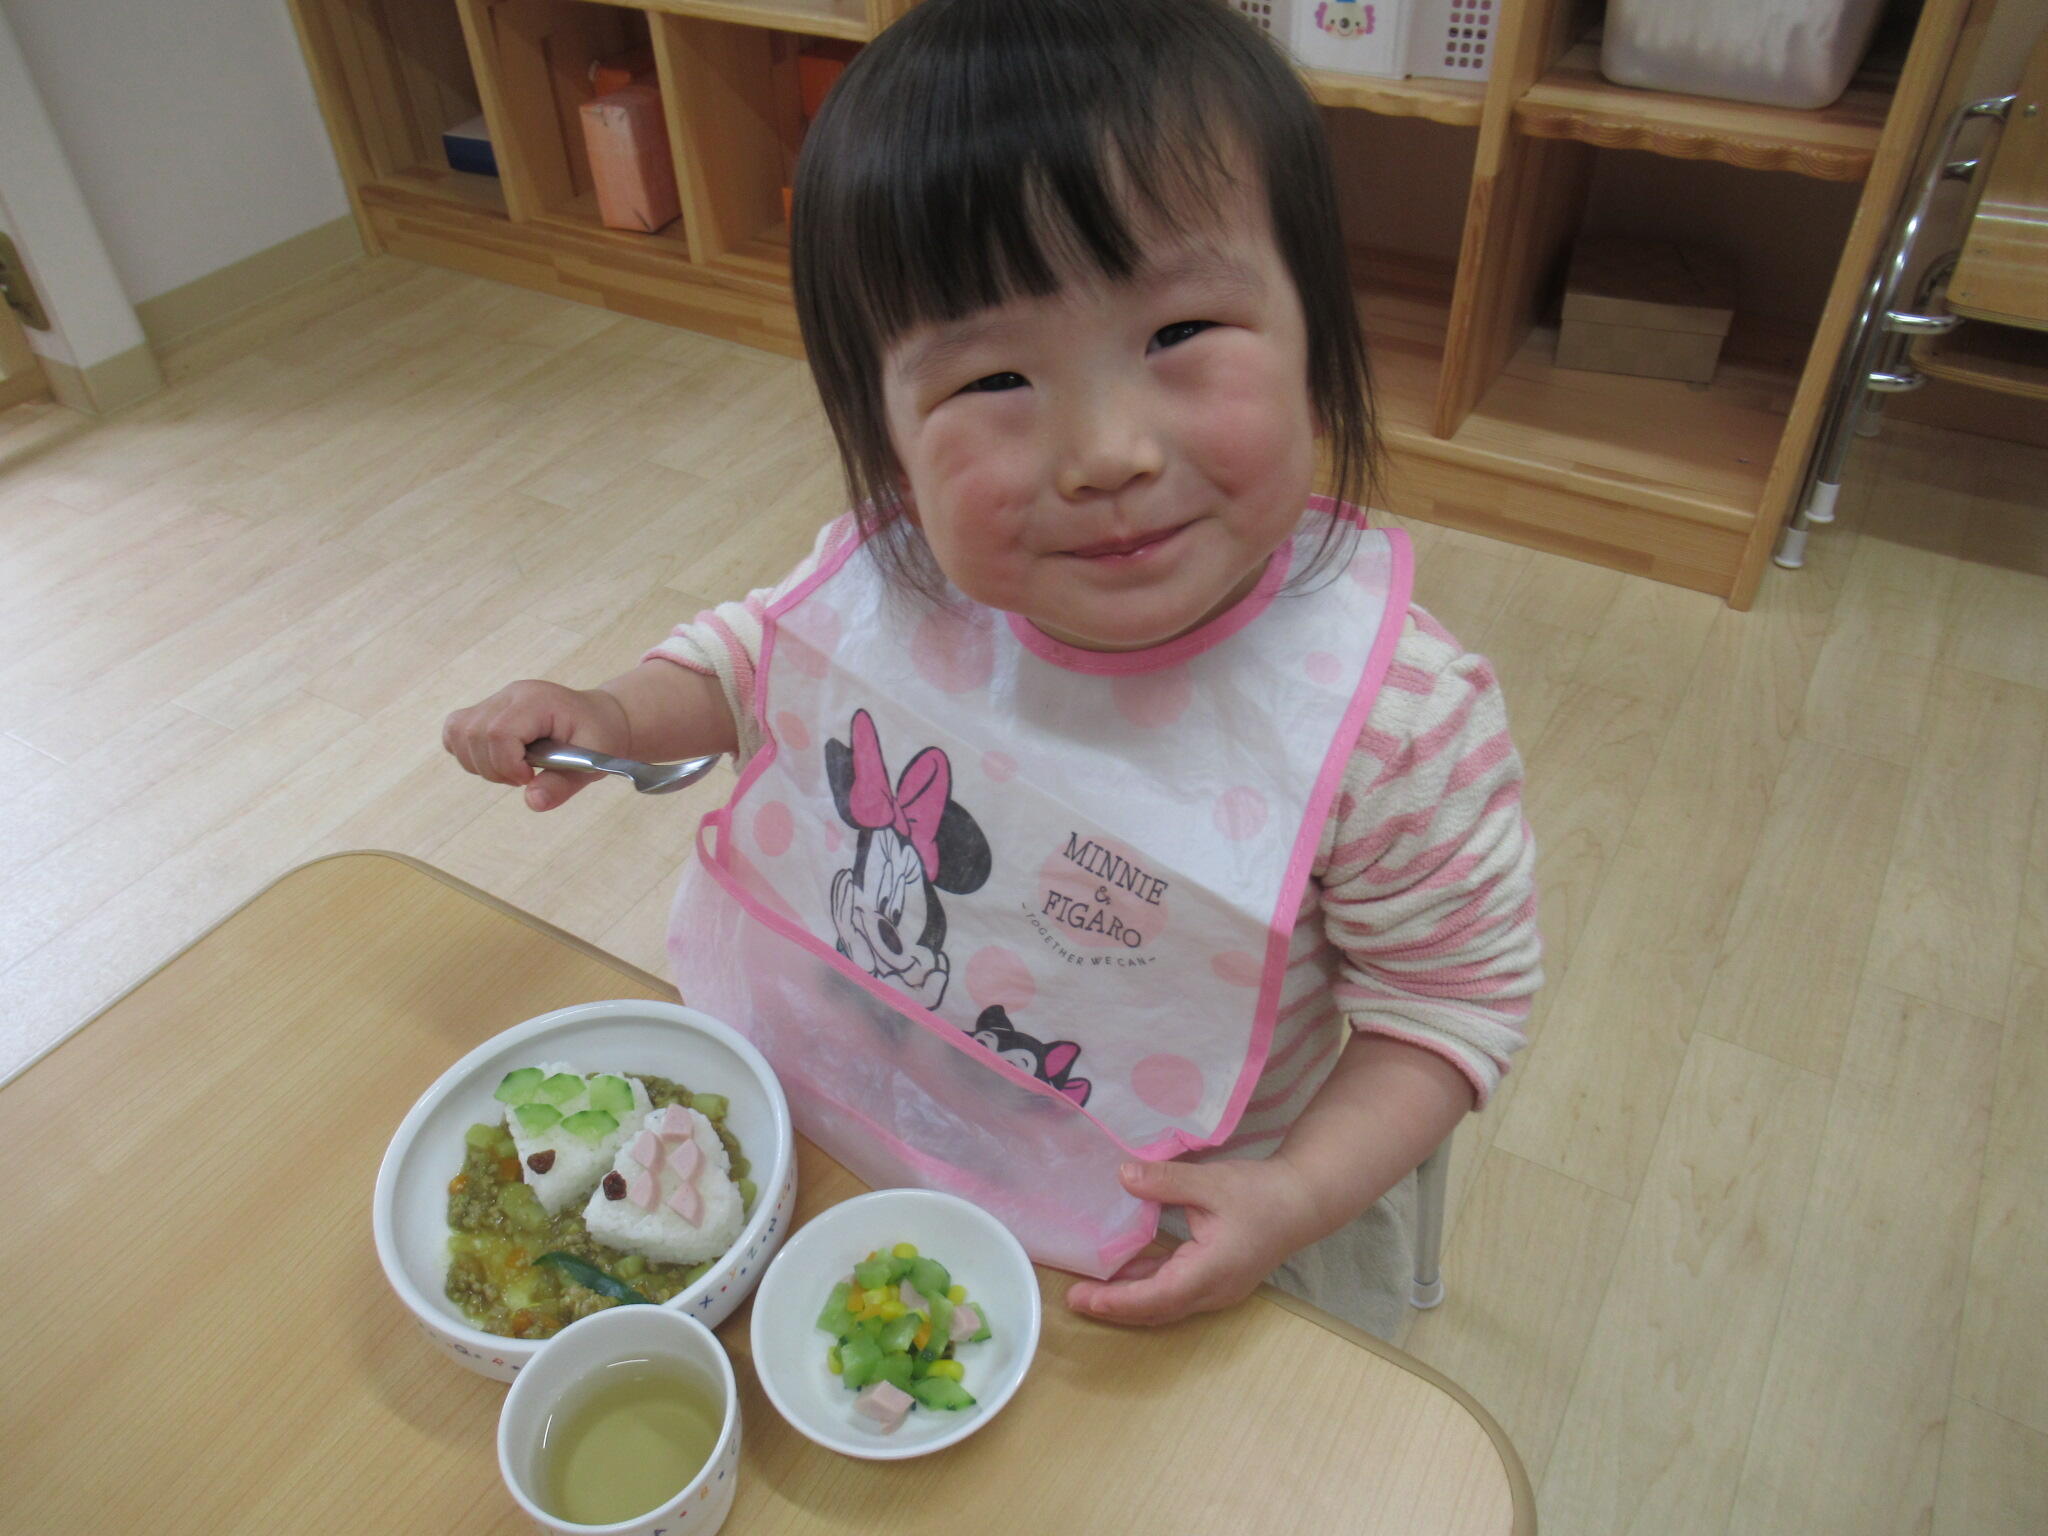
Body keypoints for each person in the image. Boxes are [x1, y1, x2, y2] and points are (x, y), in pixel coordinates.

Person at [444, 0, 1539, 1340]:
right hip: (857, 1112)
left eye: (1181, 334)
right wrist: (617, 712)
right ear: (883, 428)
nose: (1107, 451)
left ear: (1321, 324)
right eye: (994, 378)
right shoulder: (899, 570)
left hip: (1186, 1224)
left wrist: (1298, 1195)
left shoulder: (1396, 723)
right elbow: (756, 658)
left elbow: (1450, 1007)